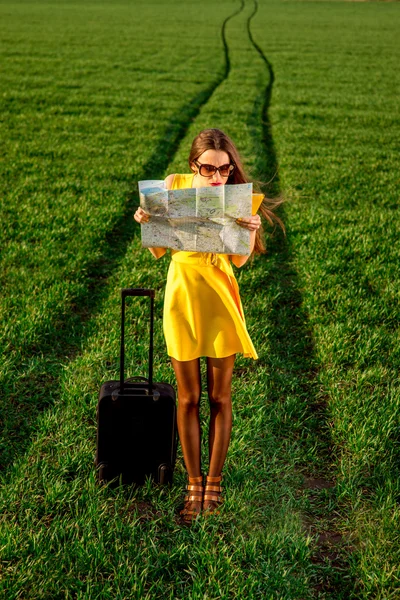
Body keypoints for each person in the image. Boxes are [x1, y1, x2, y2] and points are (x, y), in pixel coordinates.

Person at [134, 128, 283, 522]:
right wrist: (146, 221)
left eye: (224, 170)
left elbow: (238, 261)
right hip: (182, 295)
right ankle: (192, 484)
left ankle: (213, 485)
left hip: (219, 296)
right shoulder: (172, 186)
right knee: (188, 398)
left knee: (220, 397)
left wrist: (250, 234)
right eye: (209, 168)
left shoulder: (235, 196)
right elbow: (157, 249)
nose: (217, 177)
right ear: (192, 165)